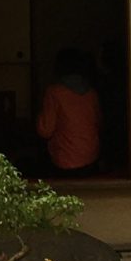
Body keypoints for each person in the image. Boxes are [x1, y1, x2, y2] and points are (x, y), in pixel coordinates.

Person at [35, 47, 101, 176]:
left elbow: (45, 130)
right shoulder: (91, 92)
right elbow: (98, 123)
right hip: (92, 159)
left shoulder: (54, 92)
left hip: (64, 162)